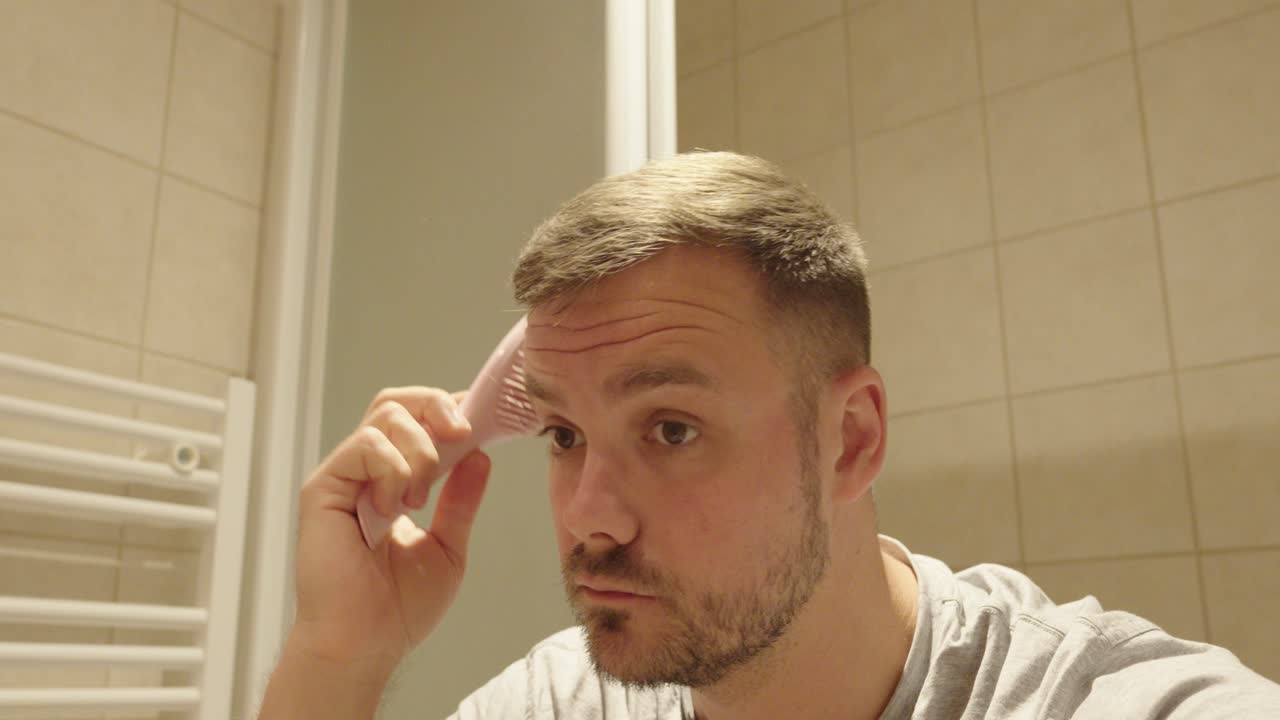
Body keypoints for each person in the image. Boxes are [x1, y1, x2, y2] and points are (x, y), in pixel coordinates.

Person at [258, 152, 1280, 719]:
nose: (588, 518)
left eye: (669, 428)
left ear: (849, 441)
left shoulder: (1111, 705)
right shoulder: (564, 702)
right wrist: (335, 656)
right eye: (563, 434)